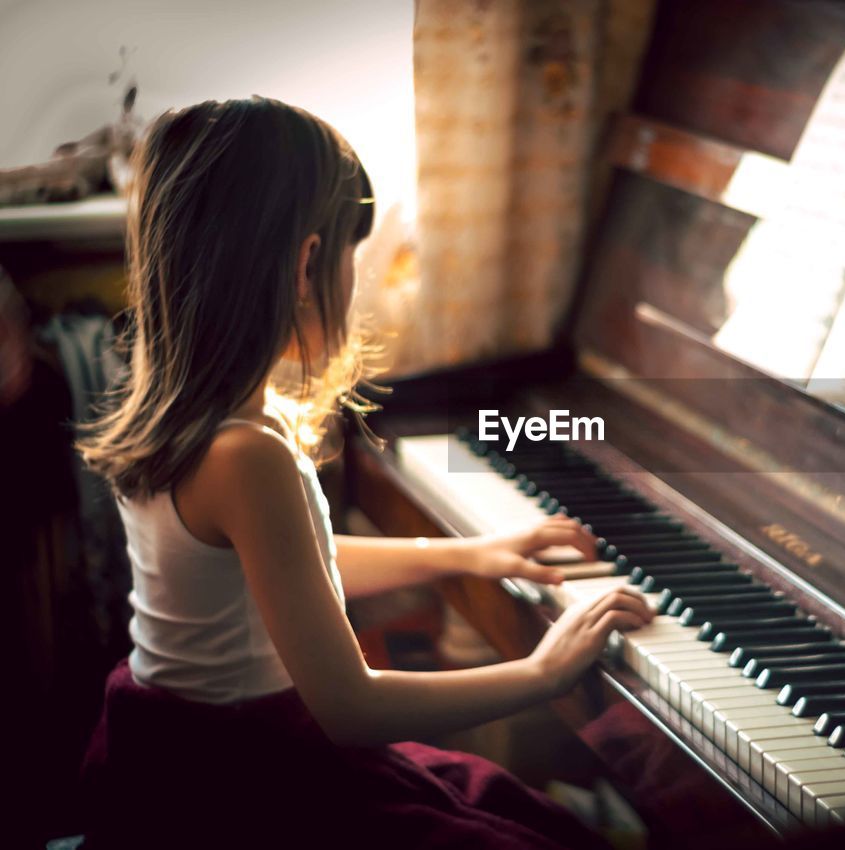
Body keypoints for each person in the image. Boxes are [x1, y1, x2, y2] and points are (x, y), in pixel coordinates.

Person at [75, 97, 652, 849]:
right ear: (309, 264)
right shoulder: (249, 456)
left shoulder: (177, 420)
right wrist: (544, 672)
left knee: (506, 810)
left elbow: (285, 574)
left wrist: (466, 554)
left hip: (183, 757)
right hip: (251, 786)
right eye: (353, 255)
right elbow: (351, 708)